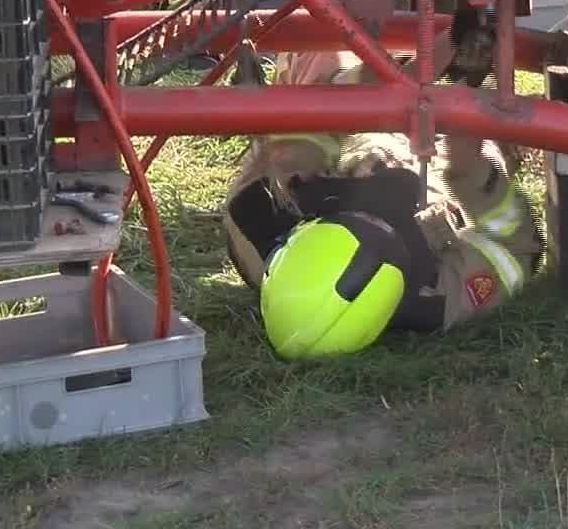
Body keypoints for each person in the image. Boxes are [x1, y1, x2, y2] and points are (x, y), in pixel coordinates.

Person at [221, 50, 544, 359]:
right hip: (433, 155)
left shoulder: (264, 230)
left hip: (351, 129)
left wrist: (390, 74)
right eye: (376, 225)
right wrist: (470, 135)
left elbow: (289, 146)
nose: (371, 217)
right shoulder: (442, 295)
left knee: (323, 58)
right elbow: (516, 246)